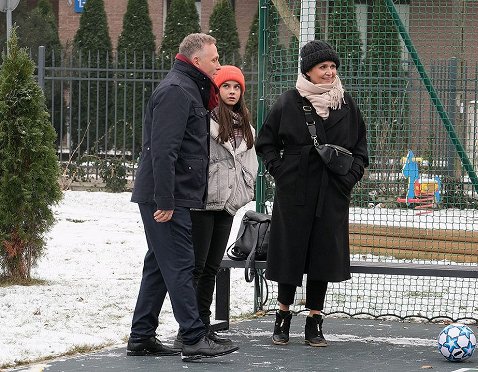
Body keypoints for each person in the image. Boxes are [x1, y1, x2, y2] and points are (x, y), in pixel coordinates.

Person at [127, 33, 239, 362]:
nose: (219, 64)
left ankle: (142, 335)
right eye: (215, 59)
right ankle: (192, 337)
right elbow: (163, 151)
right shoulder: (177, 91)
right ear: (196, 61)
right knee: (179, 263)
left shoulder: (189, 88)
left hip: (172, 194)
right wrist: (165, 201)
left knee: (159, 266)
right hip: (167, 197)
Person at [255, 40, 369, 347]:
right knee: (289, 251)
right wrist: (281, 171)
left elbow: (361, 147)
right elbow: (265, 143)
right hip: (294, 190)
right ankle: (282, 315)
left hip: (333, 190)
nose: (330, 72)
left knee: (323, 254)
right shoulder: (287, 102)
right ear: (308, 70)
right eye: (323, 67)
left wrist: (350, 177)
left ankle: (315, 320)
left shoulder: (347, 104)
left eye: (333, 67)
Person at [175, 65, 257, 347]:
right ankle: (187, 329)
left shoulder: (245, 125)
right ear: (217, 91)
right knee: (196, 267)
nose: (232, 92)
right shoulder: (205, 121)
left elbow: (249, 165)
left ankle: (204, 325)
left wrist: (243, 192)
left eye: (236, 87)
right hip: (204, 203)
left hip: (227, 205)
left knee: (212, 267)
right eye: (226, 87)